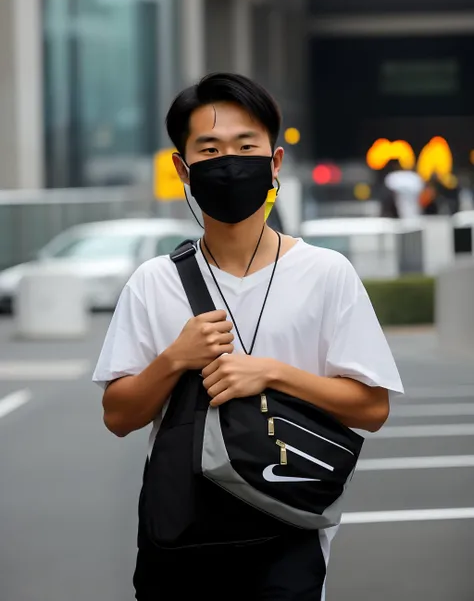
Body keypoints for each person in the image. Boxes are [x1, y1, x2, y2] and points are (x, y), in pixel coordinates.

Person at [92, 73, 404, 601]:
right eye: (209, 149)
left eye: (245, 146)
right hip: (179, 543)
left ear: (274, 162)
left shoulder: (327, 273)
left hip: (289, 533)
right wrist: (175, 359)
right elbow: (119, 417)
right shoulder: (153, 282)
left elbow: (371, 407)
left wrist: (272, 373)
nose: (229, 162)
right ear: (182, 169)